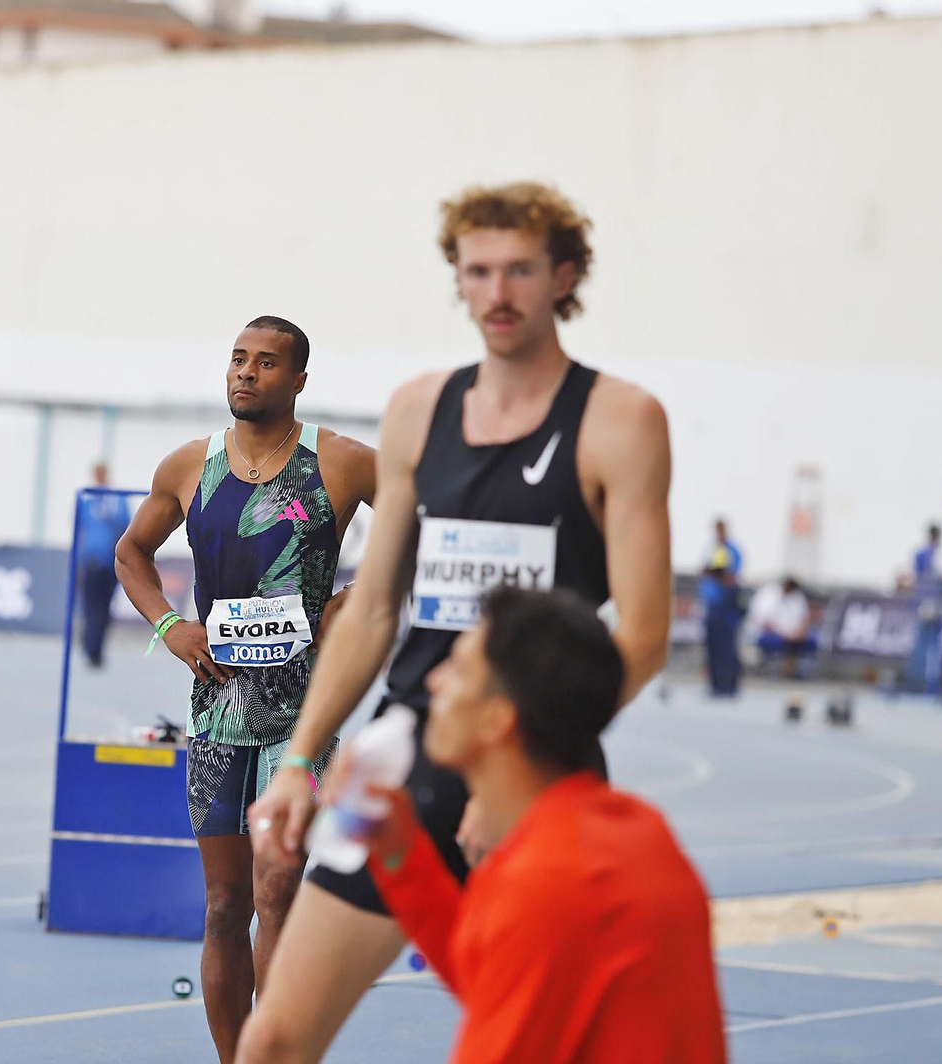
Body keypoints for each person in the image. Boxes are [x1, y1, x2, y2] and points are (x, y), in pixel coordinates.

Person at [238, 181, 672, 1064]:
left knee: (545, 1044)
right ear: (459, 281)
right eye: (478, 271)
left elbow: (644, 636)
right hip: (400, 755)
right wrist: (297, 761)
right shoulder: (418, 410)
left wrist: (521, 764)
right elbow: (374, 609)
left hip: (541, 772)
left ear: (565, 278)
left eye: (520, 270)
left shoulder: (621, 421)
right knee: (275, 1038)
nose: (498, 292)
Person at [114, 315, 377, 1063]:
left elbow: (421, 535)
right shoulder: (190, 466)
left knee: (279, 891)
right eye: (237, 360)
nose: (246, 373)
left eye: (266, 363)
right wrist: (170, 627)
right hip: (217, 717)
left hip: (304, 716)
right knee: (226, 907)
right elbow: (131, 552)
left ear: (297, 380)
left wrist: (352, 602)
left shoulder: (344, 463)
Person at [348, 587, 724, 1063]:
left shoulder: (546, 880)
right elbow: (491, 977)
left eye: (458, 669)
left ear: (497, 721)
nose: (434, 681)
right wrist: (399, 852)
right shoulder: (633, 832)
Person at [76, 462, 131, 667]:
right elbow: (79, 528)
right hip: (91, 561)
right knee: (89, 606)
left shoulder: (117, 499)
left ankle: (97, 648)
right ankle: (90, 648)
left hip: (110, 563)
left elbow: (128, 526)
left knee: (104, 608)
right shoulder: (86, 498)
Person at [701, 518, 743, 697]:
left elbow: (729, 576)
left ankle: (729, 686)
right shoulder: (711, 549)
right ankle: (715, 685)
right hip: (711, 607)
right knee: (712, 648)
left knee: (727, 648)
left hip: (726, 607)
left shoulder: (731, 551)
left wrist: (716, 573)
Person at [906, 524, 942, 694]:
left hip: (925, 602)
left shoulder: (922, 554)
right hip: (935, 603)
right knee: (932, 645)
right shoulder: (939, 555)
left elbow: (916, 577)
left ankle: (919, 681)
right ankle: (930, 684)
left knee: (923, 643)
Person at [753, 576, 814, 678]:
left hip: (793, 636)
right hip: (771, 633)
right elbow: (764, 622)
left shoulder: (797, 597)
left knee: (800, 641)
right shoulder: (768, 595)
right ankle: (786, 671)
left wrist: (799, 632)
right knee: (786, 642)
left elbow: (805, 619)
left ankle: (790, 671)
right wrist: (783, 634)